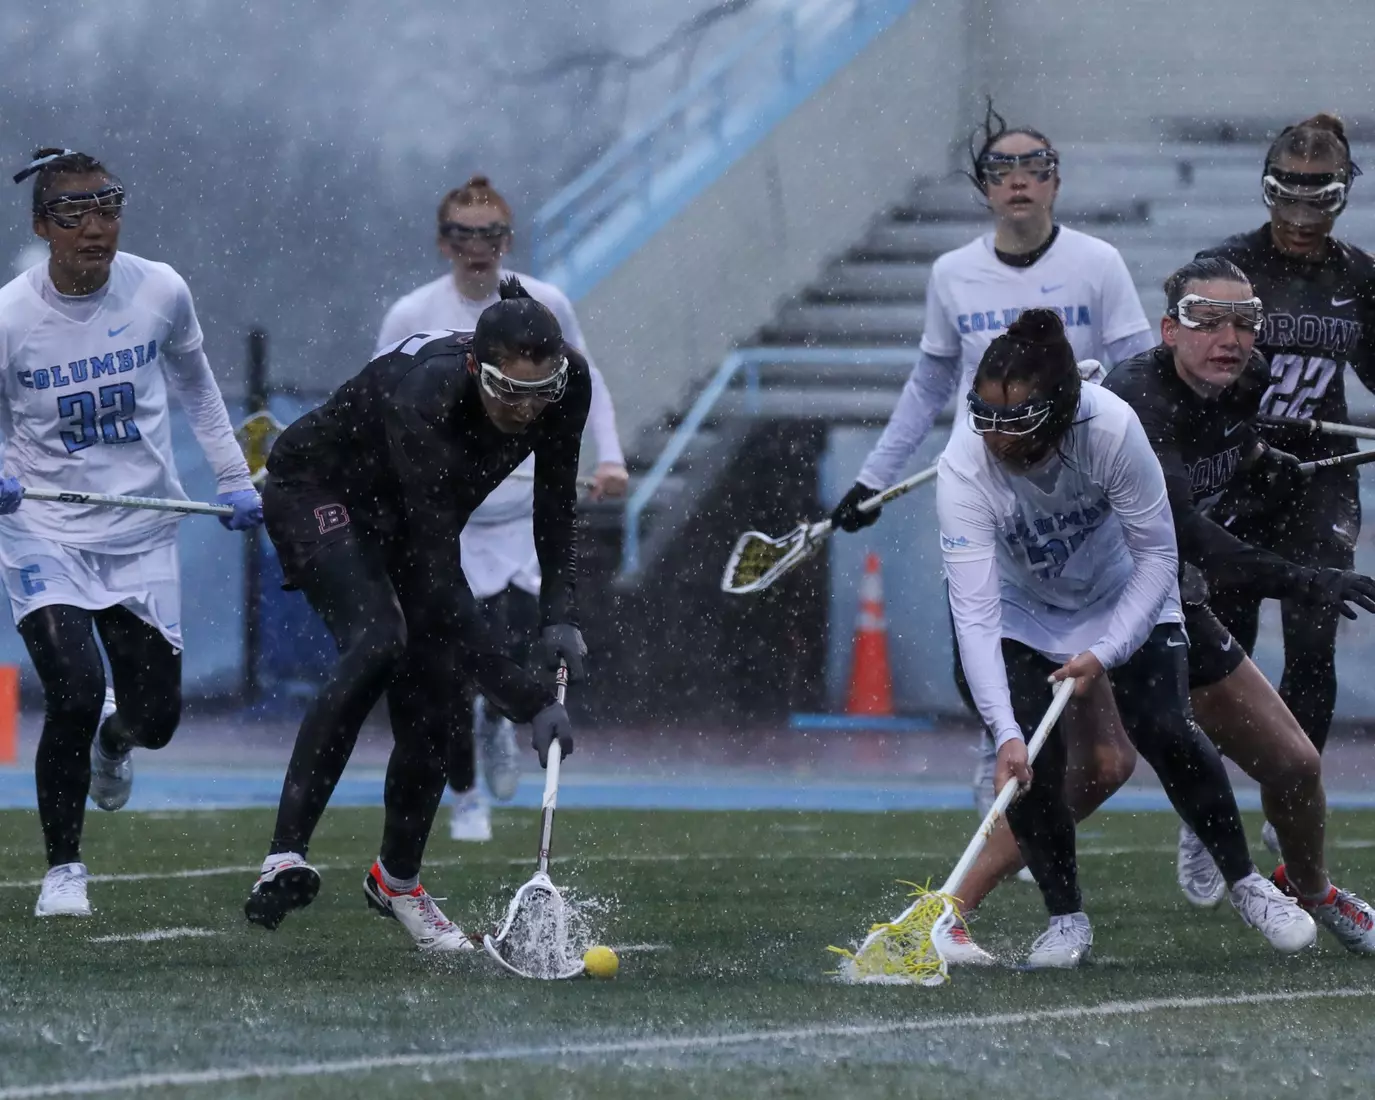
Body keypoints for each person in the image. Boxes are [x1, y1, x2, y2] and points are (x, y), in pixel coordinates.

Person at [831, 102, 1155, 888]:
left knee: (1118, 691)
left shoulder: (1097, 263)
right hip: (987, 488)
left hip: (1079, 491)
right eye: (1001, 169)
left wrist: (1106, 412)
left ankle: (1169, 810)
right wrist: (873, 477)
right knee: (987, 635)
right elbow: (927, 386)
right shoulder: (951, 274)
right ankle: (1002, 761)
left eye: (1033, 167)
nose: (1018, 181)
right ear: (982, 188)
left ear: (1055, 181)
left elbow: (1142, 372)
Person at [938, 307, 1314, 968]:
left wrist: (1106, 652)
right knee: (1034, 766)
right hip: (1023, 612)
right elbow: (972, 613)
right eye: (985, 416)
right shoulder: (963, 468)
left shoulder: (1110, 427)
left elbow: (1157, 556)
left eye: (1015, 420)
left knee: (1165, 727)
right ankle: (1065, 920)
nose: (995, 437)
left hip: (1125, 590)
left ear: (1059, 411)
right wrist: (1005, 734)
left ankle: (1247, 884)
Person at [243, 277, 588, 952]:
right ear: (474, 366)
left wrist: (558, 615)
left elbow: (555, 505)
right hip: (319, 490)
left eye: (540, 392)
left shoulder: (567, 386)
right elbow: (435, 578)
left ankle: (396, 882)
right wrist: (528, 700)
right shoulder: (422, 395)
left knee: (441, 691)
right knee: (379, 640)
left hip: (409, 515)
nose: (526, 410)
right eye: (508, 392)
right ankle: (283, 856)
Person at [0, 148, 262, 918]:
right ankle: (64, 870)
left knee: (156, 719)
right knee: (74, 690)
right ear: (42, 226)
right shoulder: (9, 317)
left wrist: (235, 478)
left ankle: (117, 742)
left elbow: (199, 389)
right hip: (44, 530)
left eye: (107, 209)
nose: (95, 229)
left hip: (141, 530)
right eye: (74, 214)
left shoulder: (161, 291)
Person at [1098, 258, 1375, 950]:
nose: (1229, 338)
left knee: (1294, 764)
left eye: (1244, 321)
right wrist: (1308, 578)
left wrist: (1261, 462)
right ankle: (955, 910)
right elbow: (1185, 533)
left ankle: (1310, 890)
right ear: (1169, 329)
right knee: (1094, 772)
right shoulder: (1138, 400)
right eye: (1207, 320)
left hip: (1166, 599)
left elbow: (1229, 443)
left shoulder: (1245, 378)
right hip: (1085, 604)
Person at [375, 175, 627, 841]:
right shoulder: (411, 313)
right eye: (462, 234)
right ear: (443, 242)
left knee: (515, 647)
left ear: (507, 241)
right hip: (448, 523)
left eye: (489, 234)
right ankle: (465, 796)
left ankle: (498, 722)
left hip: (518, 515)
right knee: (449, 659)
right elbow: (379, 404)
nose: (476, 247)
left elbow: (587, 381)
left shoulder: (545, 306)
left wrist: (609, 457)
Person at [1195, 114, 1375, 856]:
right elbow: (1185, 371)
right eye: (1287, 198)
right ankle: (1204, 806)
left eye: (1318, 200)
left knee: (1312, 644)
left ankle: (1288, 799)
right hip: (1237, 472)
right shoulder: (1224, 271)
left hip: (1319, 478)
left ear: (1343, 195)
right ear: (1266, 190)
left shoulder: (1359, 277)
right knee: (1221, 652)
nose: (1301, 219)